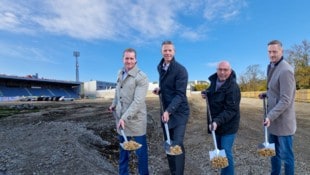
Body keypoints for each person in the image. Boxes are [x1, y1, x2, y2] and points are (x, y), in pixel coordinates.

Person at [109, 48, 149, 175]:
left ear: (136, 60)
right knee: (123, 153)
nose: (129, 61)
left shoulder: (141, 77)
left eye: (131, 58)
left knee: (141, 155)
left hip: (136, 121)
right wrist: (113, 104)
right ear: (123, 59)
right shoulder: (120, 73)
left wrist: (124, 118)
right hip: (121, 120)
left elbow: (138, 102)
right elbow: (117, 91)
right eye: (127, 58)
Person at [258, 40, 296, 175]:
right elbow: (275, 90)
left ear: (281, 51)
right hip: (272, 122)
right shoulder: (271, 66)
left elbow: (286, 99)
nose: (272, 55)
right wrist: (266, 94)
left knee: (287, 157)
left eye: (275, 51)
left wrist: (270, 116)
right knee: (274, 155)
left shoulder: (286, 70)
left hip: (283, 123)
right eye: (269, 52)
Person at [152, 40, 190, 175]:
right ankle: (173, 171)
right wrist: (160, 90)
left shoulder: (181, 70)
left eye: (170, 50)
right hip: (166, 112)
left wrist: (169, 110)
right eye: (165, 50)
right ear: (161, 52)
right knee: (168, 143)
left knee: (177, 144)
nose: (167, 53)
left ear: (174, 52)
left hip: (179, 112)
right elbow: (168, 87)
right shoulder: (160, 67)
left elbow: (180, 94)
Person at [201, 61, 241, 175]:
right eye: (220, 69)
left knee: (226, 151)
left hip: (228, 125)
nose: (222, 72)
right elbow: (212, 93)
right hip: (216, 124)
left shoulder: (233, 87)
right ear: (216, 70)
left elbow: (231, 110)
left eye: (225, 70)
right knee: (219, 151)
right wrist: (206, 93)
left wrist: (217, 121)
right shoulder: (214, 82)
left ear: (230, 71)